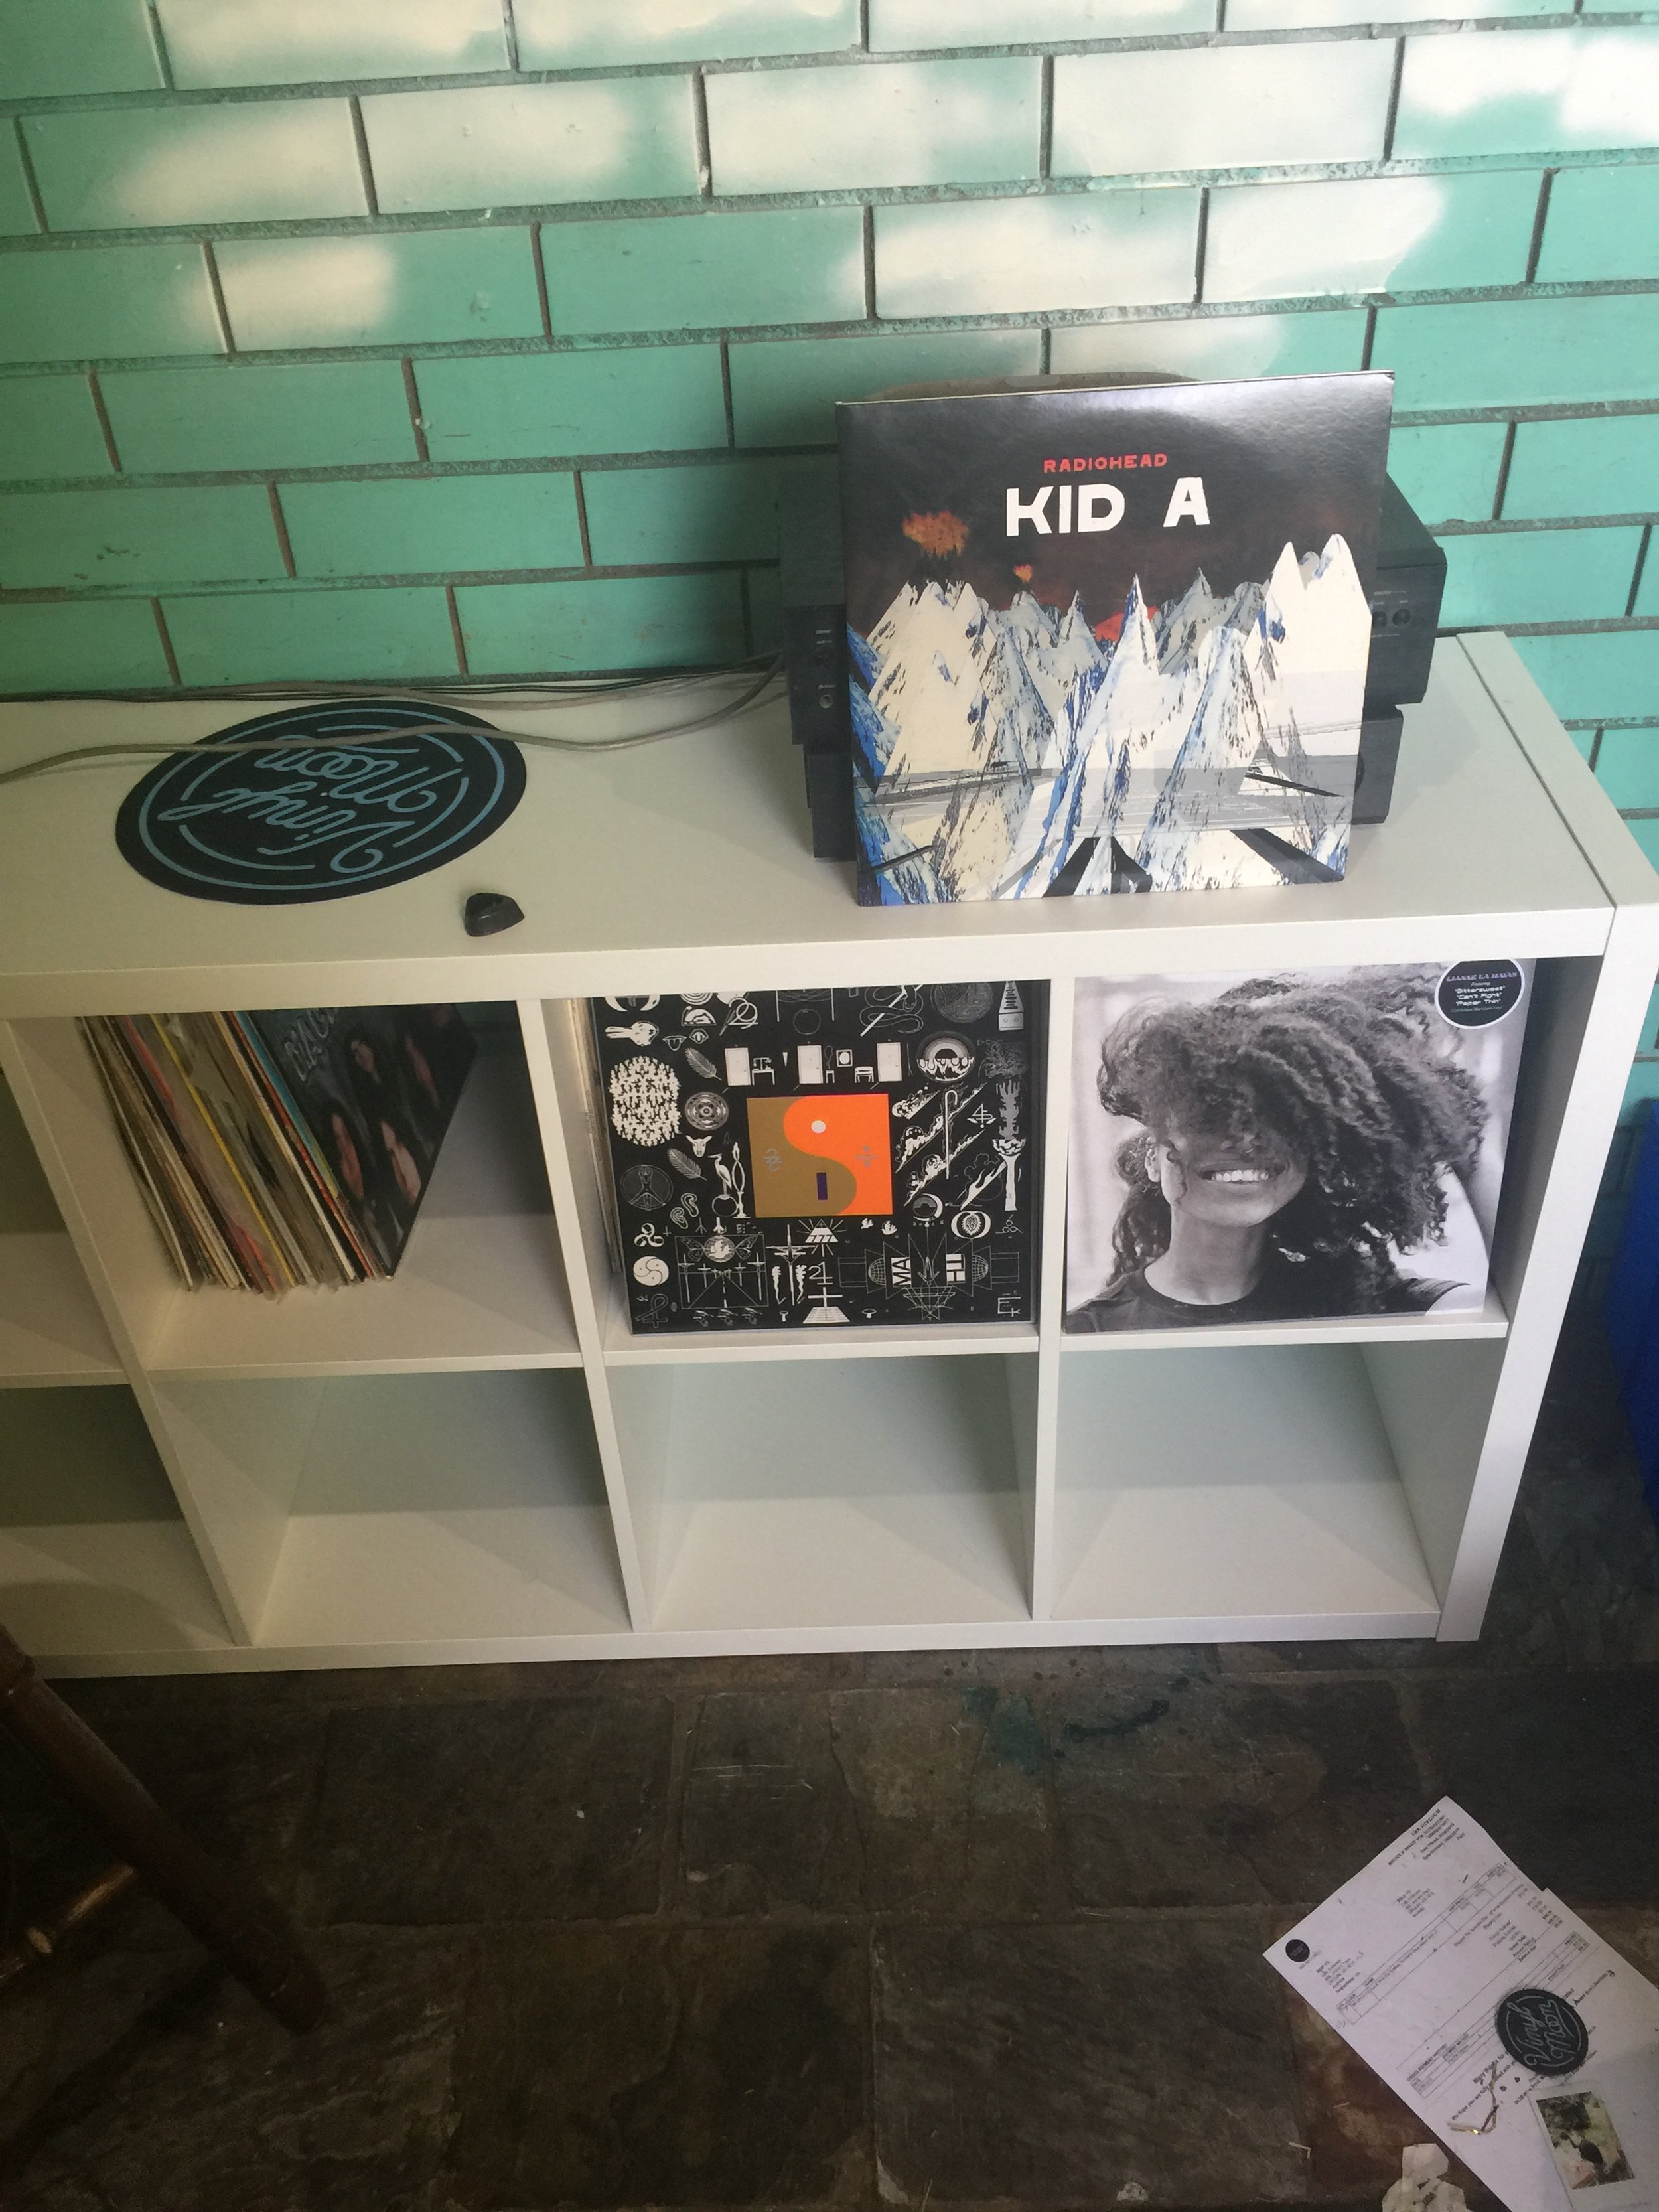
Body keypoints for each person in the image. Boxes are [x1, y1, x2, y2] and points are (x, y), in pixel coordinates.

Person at [1067, 970, 1489, 1331]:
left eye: (1279, 1123)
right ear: (1153, 1160)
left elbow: (1527, 1313)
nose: (1246, 1141)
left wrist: (1450, 1125)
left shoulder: (1365, 1301)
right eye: (1209, 1119)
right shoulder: (1092, 1329)